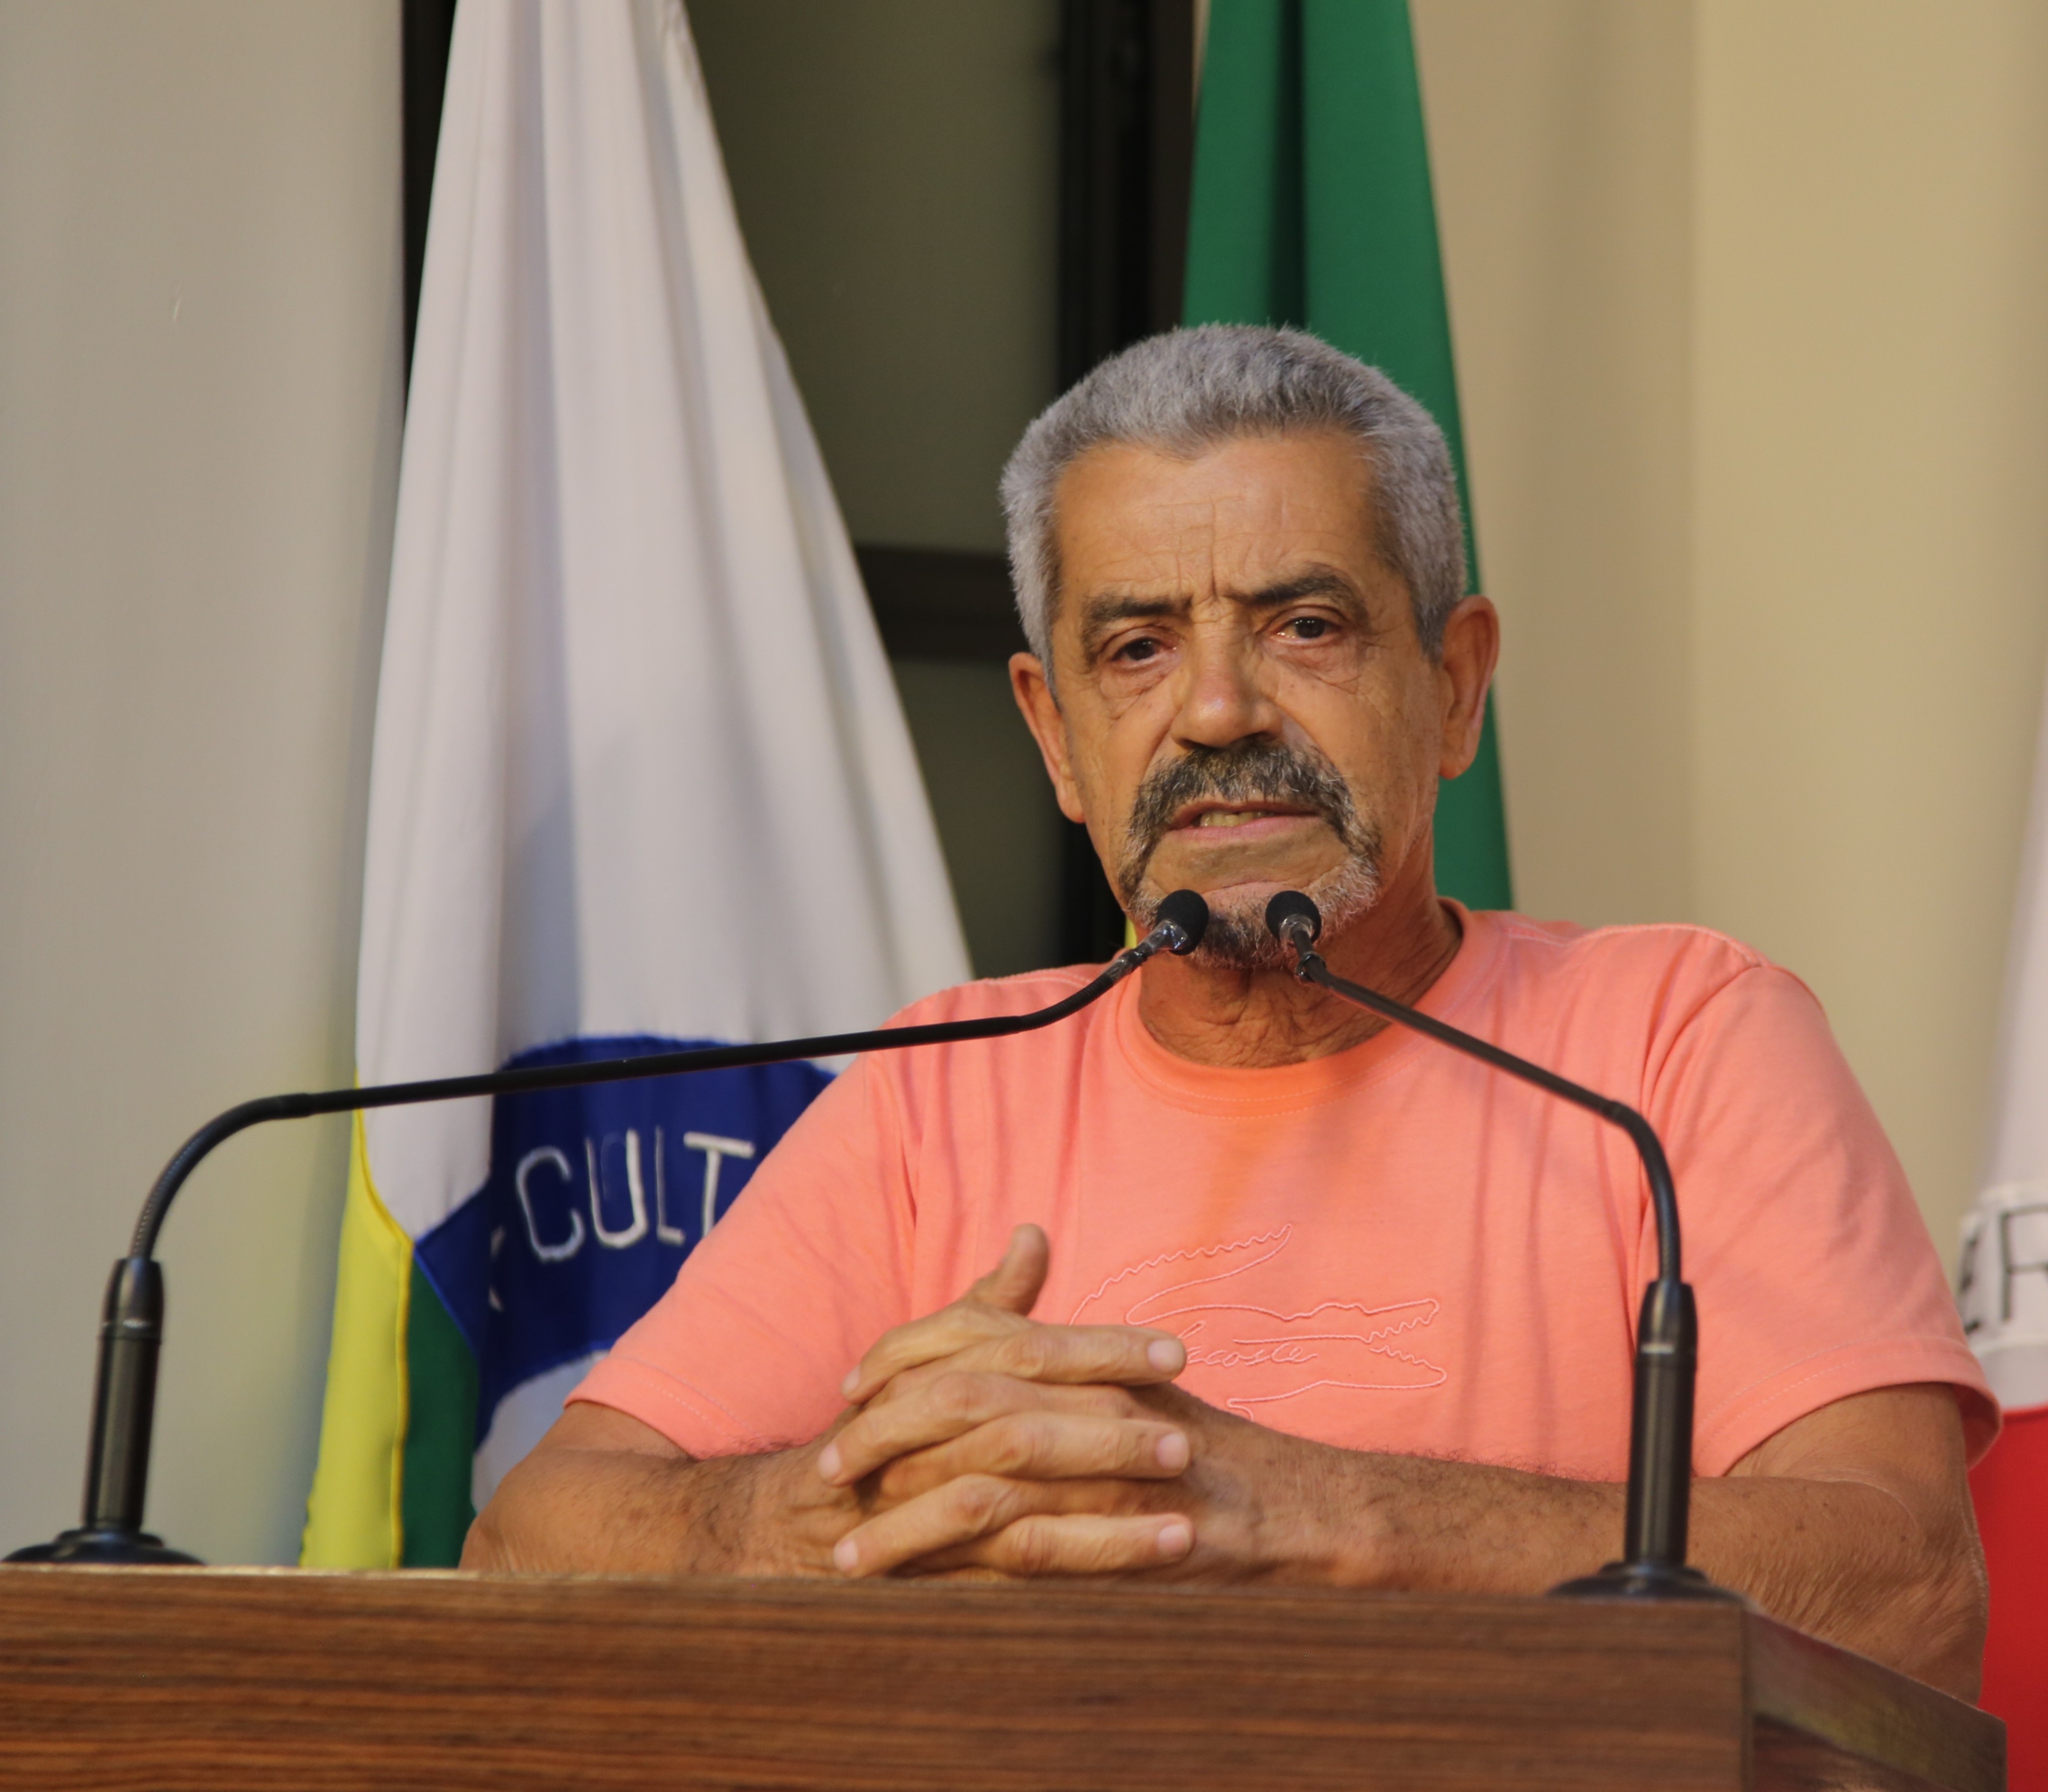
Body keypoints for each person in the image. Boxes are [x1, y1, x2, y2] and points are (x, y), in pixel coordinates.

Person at [464, 326, 1993, 1695]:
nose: (1216, 712)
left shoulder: (1676, 1043)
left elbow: (1908, 1590)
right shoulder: (941, 1089)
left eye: (1304, 626)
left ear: (1456, 686)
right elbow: (528, 1538)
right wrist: (823, 1516)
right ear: (1056, 737)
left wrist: (1309, 1515)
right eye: (1137, 649)